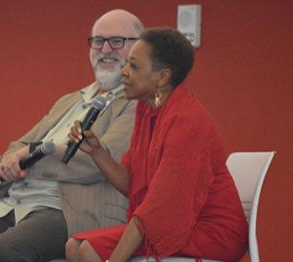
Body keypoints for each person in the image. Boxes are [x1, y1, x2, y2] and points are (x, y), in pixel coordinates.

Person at [0, 9, 143, 261]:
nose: (106, 49)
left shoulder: (136, 103)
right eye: (98, 41)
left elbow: (99, 160)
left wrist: (29, 158)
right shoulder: (71, 100)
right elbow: (20, 143)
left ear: (139, 49)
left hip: (69, 209)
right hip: (15, 202)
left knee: (9, 249)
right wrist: (11, 160)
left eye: (116, 41)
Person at [65, 28, 248, 262]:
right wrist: (96, 152)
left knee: (88, 249)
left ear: (162, 77)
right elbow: (134, 185)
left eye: (133, 66)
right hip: (170, 221)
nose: (123, 73)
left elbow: (157, 209)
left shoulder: (187, 122)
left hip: (211, 235)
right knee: (75, 245)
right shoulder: (148, 110)